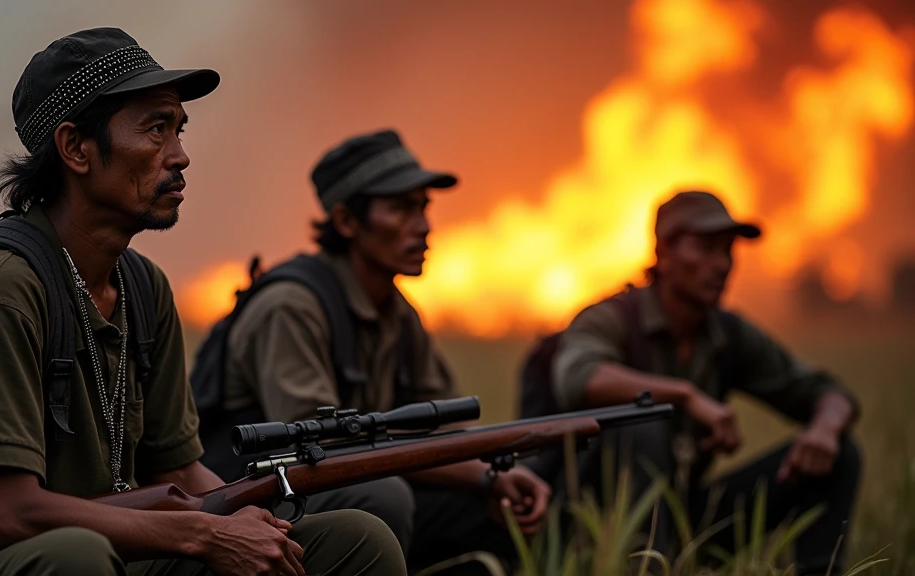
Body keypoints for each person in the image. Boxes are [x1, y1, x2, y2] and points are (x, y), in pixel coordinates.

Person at [0, 28, 405, 576]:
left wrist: (253, 521)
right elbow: (7, 516)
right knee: (78, 558)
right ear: (75, 149)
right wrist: (203, 534)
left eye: (179, 129)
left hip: (116, 549)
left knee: (356, 539)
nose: (181, 156)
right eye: (156, 129)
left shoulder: (144, 287)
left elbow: (183, 472)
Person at [208, 129, 552, 573]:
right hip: (259, 493)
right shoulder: (290, 306)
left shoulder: (398, 312)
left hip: (340, 479)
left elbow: (447, 427)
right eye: (401, 208)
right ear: (347, 221)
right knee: (383, 495)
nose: (424, 225)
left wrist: (496, 476)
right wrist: (483, 474)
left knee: (495, 507)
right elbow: (320, 452)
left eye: (423, 207)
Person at [550, 190, 862, 575]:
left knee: (839, 455)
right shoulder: (611, 318)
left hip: (683, 518)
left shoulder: (727, 334)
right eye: (705, 248)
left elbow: (828, 393)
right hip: (592, 527)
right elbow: (578, 377)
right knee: (641, 419)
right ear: (663, 253)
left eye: (728, 251)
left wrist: (825, 431)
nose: (721, 265)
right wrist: (684, 395)